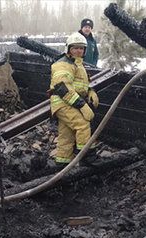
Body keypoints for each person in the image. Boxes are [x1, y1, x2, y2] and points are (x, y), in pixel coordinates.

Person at [49, 32, 99, 166]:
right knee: (83, 124)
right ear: (68, 49)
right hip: (63, 102)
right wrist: (82, 105)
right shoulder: (63, 65)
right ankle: (87, 157)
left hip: (68, 102)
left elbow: (79, 85)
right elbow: (62, 88)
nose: (78, 51)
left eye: (81, 48)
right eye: (75, 48)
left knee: (66, 136)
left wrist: (90, 91)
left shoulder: (77, 65)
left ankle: (62, 164)